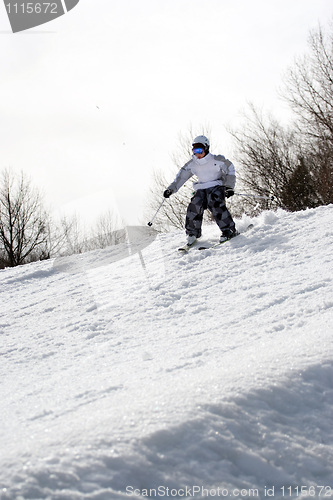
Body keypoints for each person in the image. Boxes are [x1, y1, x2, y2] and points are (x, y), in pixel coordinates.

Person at [163, 135, 237, 246]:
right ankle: (192, 233)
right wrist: (171, 189)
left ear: (206, 148)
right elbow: (181, 177)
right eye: (194, 151)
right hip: (201, 187)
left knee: (215, 202)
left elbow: (230, 169)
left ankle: (228, 229)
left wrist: (229, 187)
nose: (197, 154)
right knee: (195, 204)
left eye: (199, 150)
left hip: (216, 185)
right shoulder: (192, 164)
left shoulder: (217, 160)